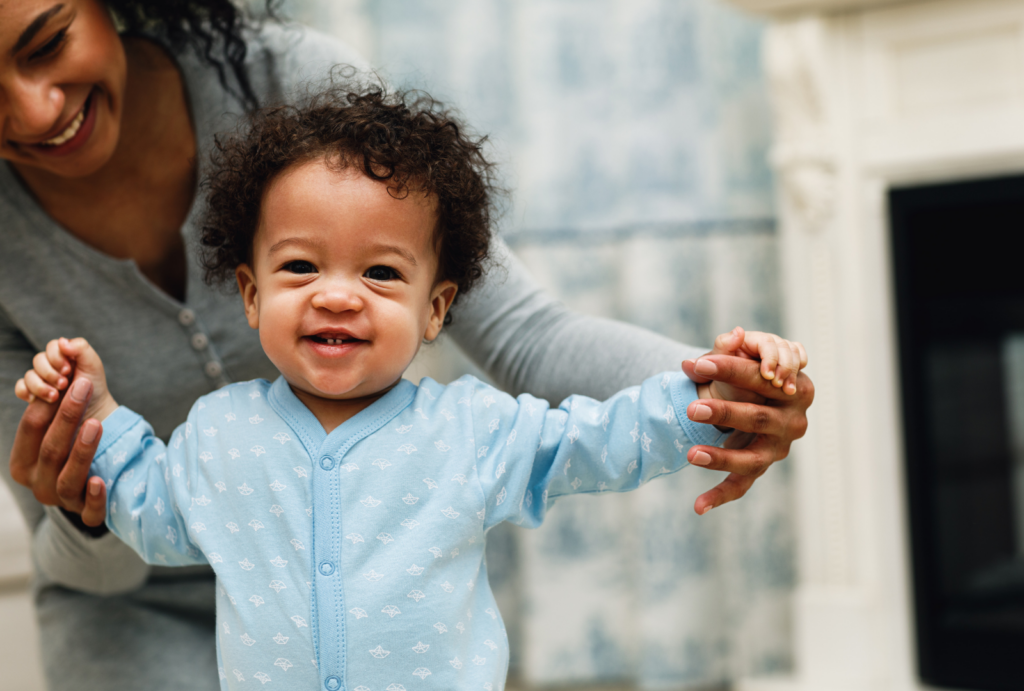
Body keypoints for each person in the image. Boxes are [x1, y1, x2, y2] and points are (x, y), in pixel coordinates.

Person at [0, 2, 813, 689]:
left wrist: (716, 393)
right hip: (124, 620)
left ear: (437, 308)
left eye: (382, 271)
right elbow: (141, 500)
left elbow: (592, 428)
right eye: (301, 265)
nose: (337, 292)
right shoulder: (214, 439)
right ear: (247, 291)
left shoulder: (475, 431)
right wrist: (92, 428)